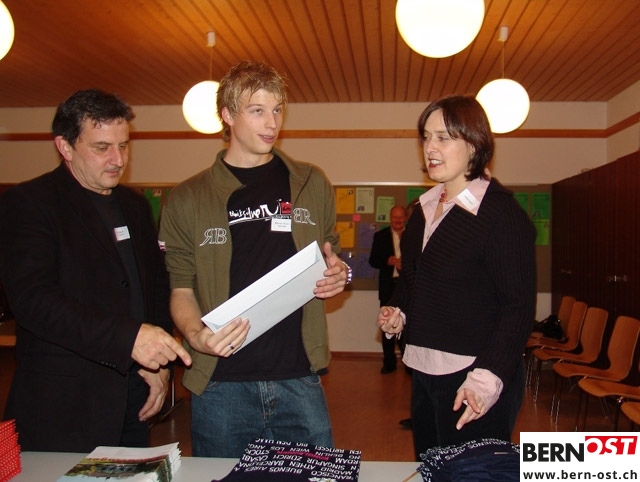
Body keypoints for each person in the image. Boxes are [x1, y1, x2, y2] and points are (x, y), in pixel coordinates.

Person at [158, 60, 351, 458]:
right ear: (228, 116)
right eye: (257, 110)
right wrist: (196, 336)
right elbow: (181, 287)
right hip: (221, 383)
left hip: (299, 378)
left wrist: (339, 274)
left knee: (315, 477)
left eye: (277, 109)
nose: (272, 122)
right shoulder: (188, 197)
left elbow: (330, 253)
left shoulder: (311, 182)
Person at [0, 90, 192, 452]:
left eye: (123, 146)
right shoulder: (28, 204)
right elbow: (33, 302)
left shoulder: (135, 205)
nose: (118, 159)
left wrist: (159, 364)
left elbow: (155, 287)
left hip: (133, 398)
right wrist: (129, 338)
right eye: (102, 147)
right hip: (64, 404)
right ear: (65, 146)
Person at [377, 95, 536, 459]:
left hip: (474, 377)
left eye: (443, 138)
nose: (430, 148)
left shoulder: (502, 215)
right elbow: (414, 280)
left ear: (474, 145)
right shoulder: (422, 210)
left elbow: (518, 307)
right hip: (422, 368)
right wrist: (398, 311)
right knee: (432, 468)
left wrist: (486, 378)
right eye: (426, 137)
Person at [368, 205, 407, 374]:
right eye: (394, 217)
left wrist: (406, 265)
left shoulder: (413, 234)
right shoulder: (380, 236)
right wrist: (387, 261)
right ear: (390, 218)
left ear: (405, 218)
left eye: (400, 217)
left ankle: (409, 364)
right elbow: (373, 260)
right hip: (388, 286)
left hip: (407, 286)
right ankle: (389, 363)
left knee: (407, 326)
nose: (397, 220)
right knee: (386, 324)